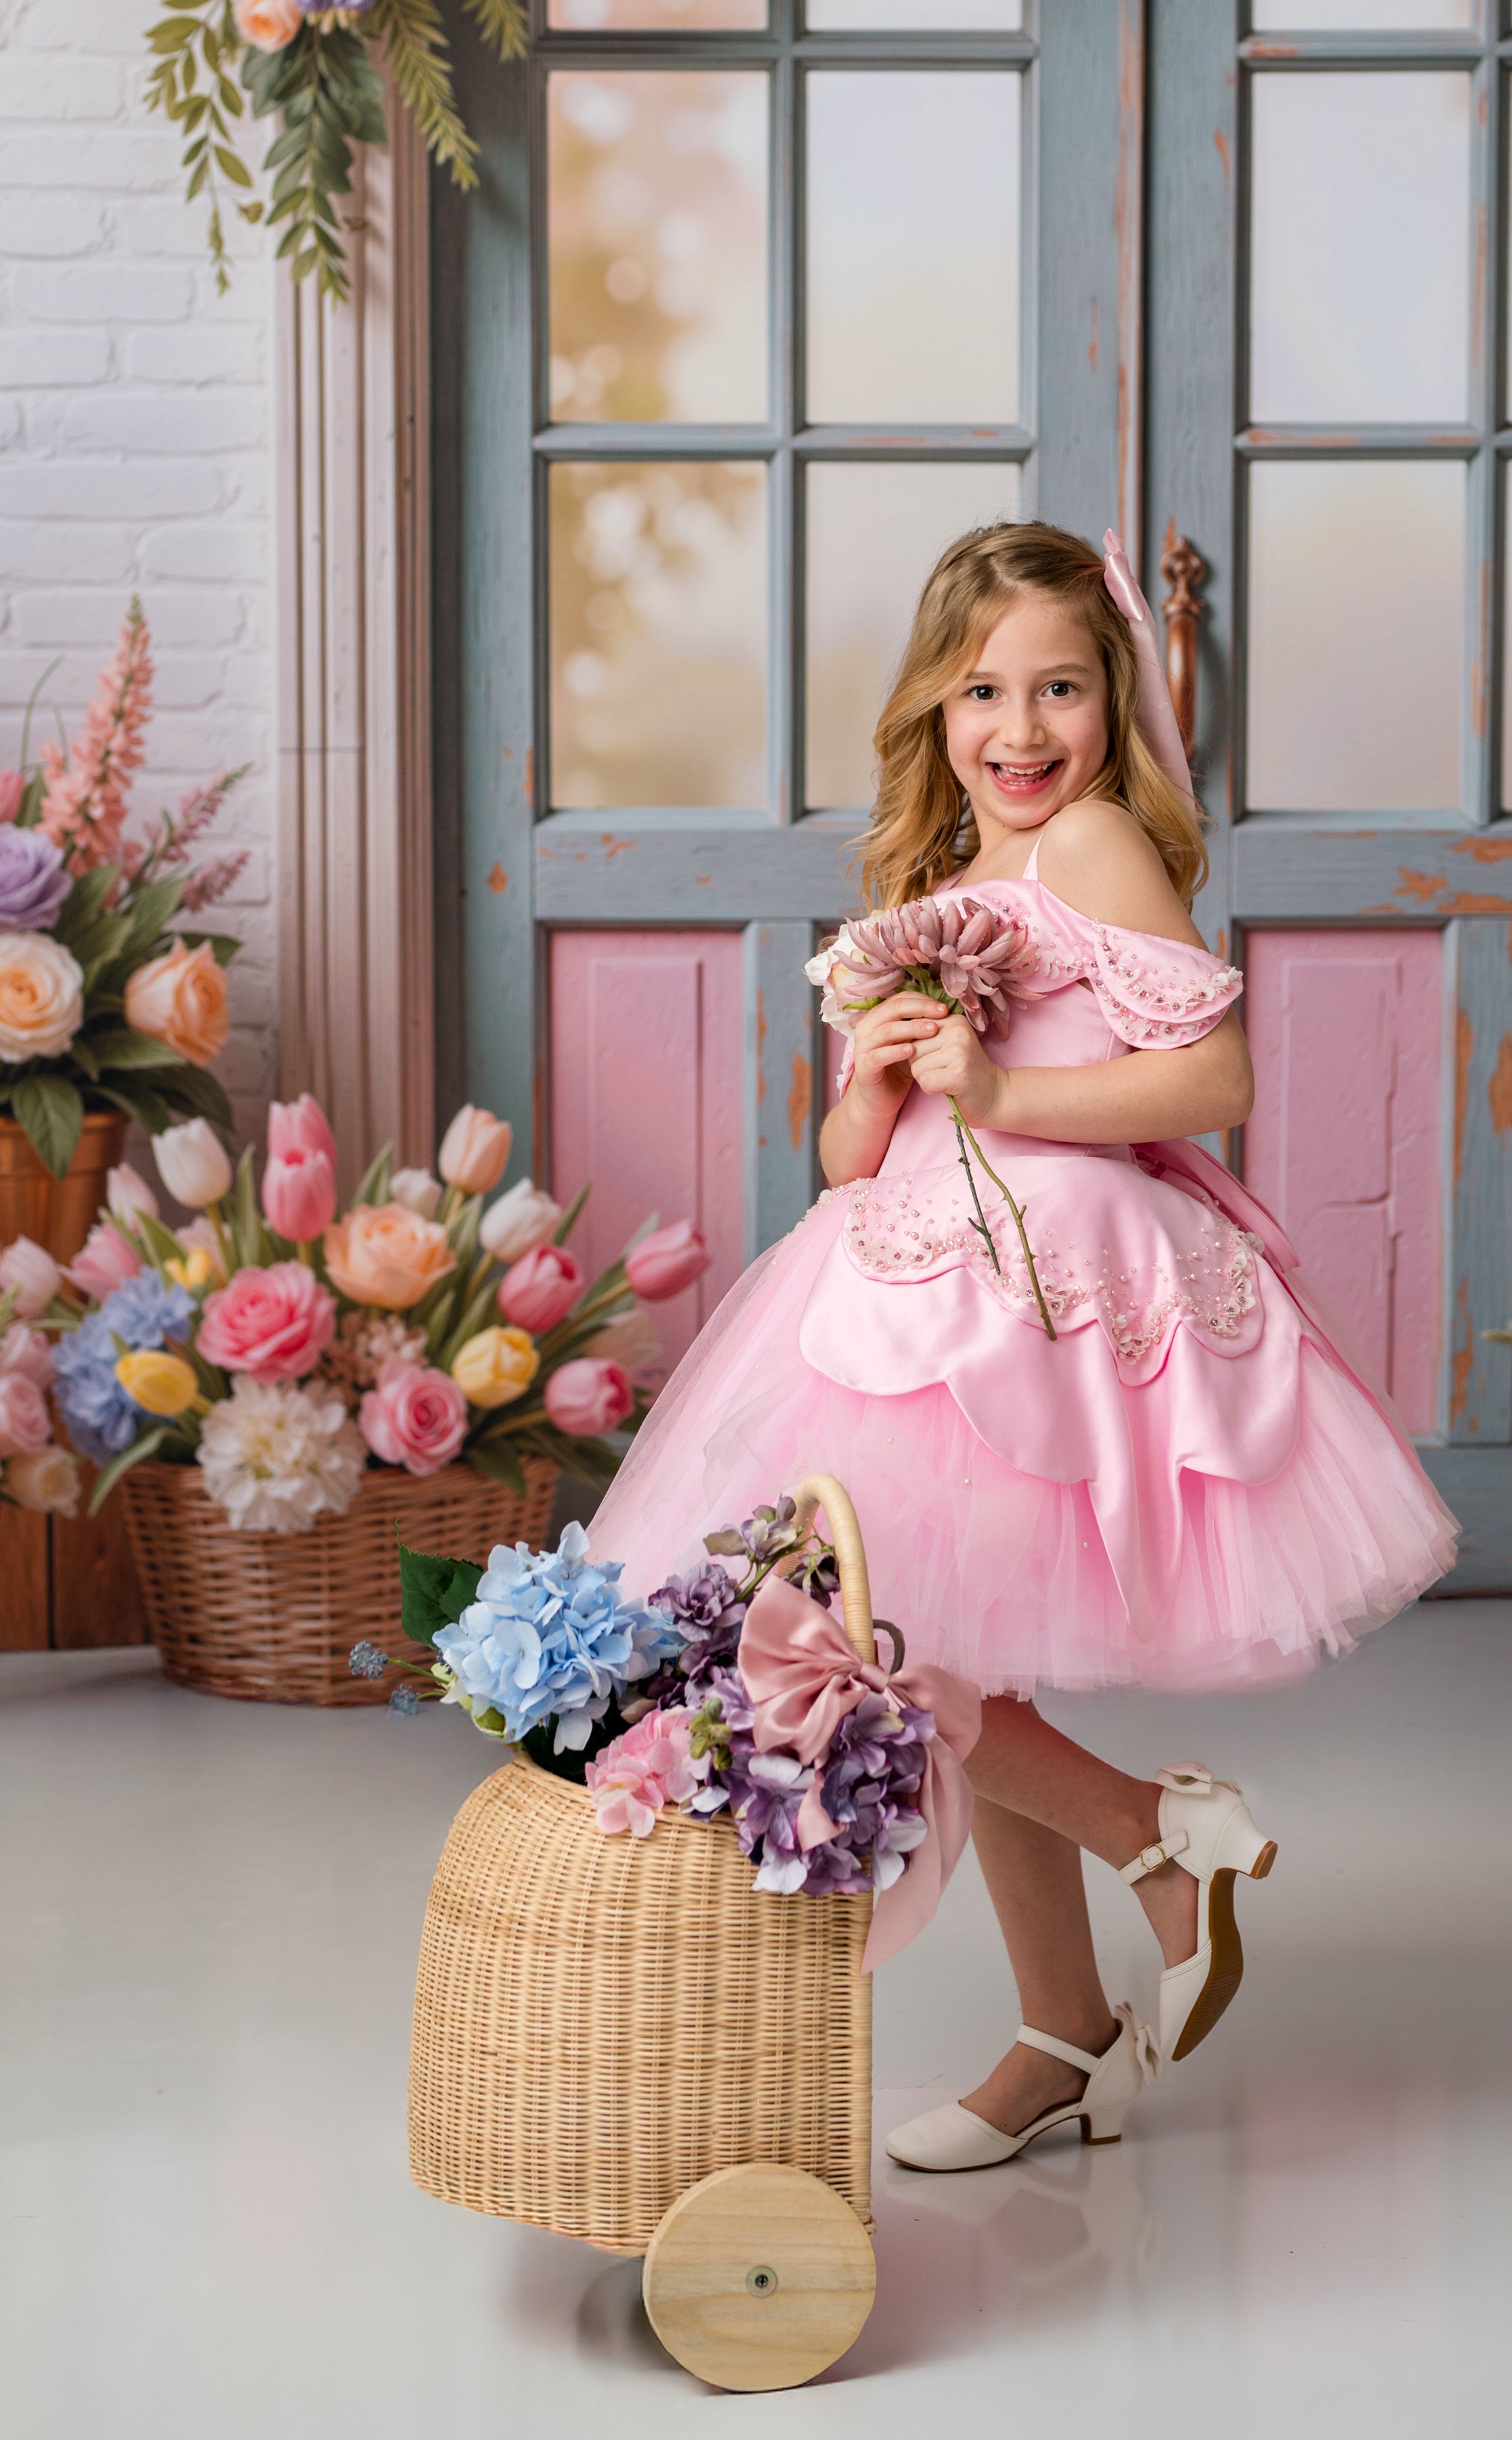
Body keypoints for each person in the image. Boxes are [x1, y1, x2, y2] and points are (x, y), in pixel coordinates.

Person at [588, 520, 1457, 2169]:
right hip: (907, 1278)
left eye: (1060, 686)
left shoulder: (1097, 846)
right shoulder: (928, 888)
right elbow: (850, 1156)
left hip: (1045, 1285)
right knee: (950, 1658)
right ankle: (1064, 2029)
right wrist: (876, 1074)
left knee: (904, 1658)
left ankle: (1154, 1840)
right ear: (933, 703)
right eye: (982, 689)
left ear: (1110, 699)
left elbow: (1212, 1080)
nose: (1020, 725)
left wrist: (999, 1087)